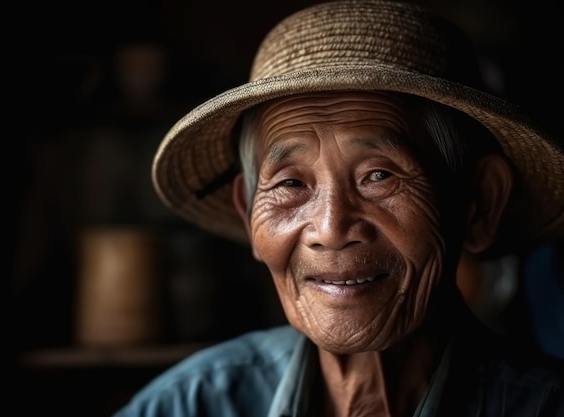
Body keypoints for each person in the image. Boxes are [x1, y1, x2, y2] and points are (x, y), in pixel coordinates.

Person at [113, 1, 564, 416]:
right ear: (248, 210)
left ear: (479, 202)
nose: (330, 228)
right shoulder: (188, 405)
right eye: (290, 183)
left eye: (379, 176)